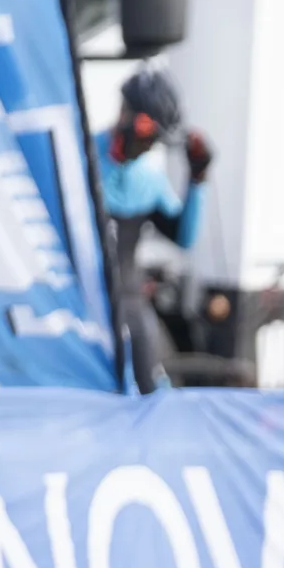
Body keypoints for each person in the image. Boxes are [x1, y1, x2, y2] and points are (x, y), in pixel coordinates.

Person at [96, 69, 212, 393]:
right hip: (81, 298)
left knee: (150, 384)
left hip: (128, 300)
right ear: (123, 113)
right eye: (146, 138)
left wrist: (197, 180)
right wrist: (114, 158)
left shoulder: (148, 180)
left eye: (154, 142)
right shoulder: (81, 154)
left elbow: (183, 238)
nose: (147, 149)